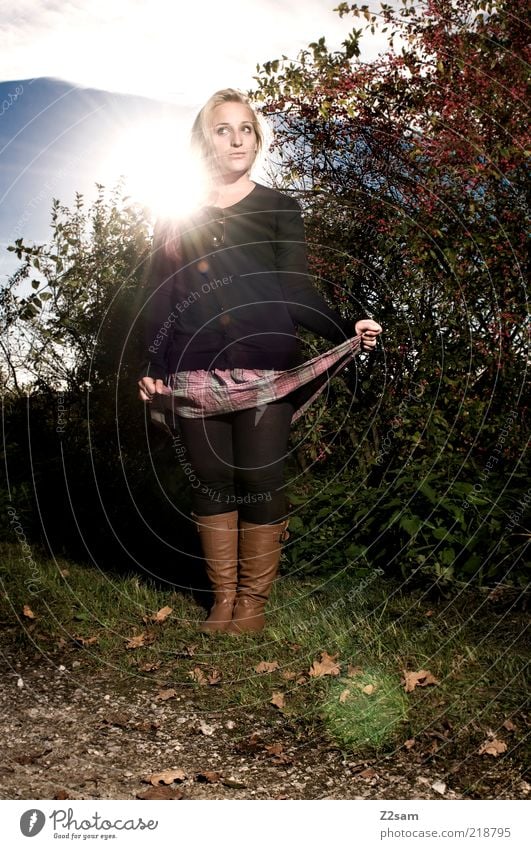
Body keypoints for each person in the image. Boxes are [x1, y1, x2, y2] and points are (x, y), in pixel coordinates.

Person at [138, 88, 382, 635]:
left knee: (261, 477)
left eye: (246, 128)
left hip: (267, 363)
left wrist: (346, 329)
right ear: (204, 140)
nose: (237, 138)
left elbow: (295, 290)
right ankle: (222, 599)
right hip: (191, 365)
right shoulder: (177, 214)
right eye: (223, 129)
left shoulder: (278, 207)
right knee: (211, 478)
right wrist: (152, 362)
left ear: (258, 136)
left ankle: (252, 603)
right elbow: (162, 290)